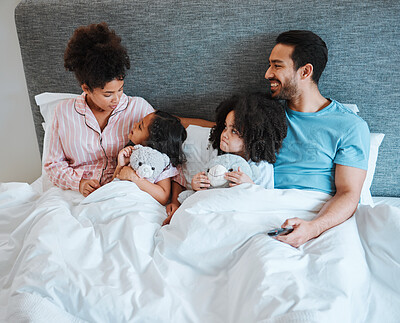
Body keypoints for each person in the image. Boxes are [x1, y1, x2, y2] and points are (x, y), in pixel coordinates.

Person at [264, 30, 370, 247]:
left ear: (305, 71)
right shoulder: (264, 115)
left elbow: (349, 193)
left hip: (318, 216)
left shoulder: (350, 126)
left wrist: (313, 228)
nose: (267, 74)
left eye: (277, 65)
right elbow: (219, 128)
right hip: (264, 209)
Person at [44, 22, 155, 197]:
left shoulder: (139, 108)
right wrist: (78, 183)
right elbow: (53, 165)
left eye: (120, 89)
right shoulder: (63, 112)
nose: (117, 99)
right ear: (86, 88)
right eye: (108, 94)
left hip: (126, 193)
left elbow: (167, 140)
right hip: (77, 195)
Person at [163, 92, 287, 225]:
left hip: (238, 214)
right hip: (212, 207)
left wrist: (249, 186)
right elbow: (205, 186)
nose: (224, 134)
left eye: (234, 131)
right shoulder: (217, 152)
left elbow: (266, 201)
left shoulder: (261, 166)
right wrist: (197, 184)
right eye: (225, 127)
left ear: (253, 139)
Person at [113, 110, 187, 205]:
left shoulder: (161, 163)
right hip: (117, 197)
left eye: (140, 127)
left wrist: (134, 177)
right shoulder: (131, 153)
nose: (135, 125)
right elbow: (114, 182)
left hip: (138, 202)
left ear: (153, 141)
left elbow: (163, 196)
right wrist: (120, 165)